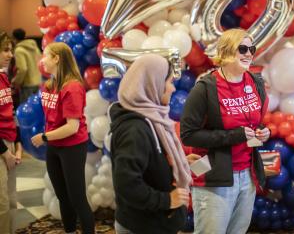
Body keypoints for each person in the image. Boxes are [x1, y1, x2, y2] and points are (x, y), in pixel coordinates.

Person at [181, 28, 270, 234]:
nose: (249, 53)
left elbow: (256, 122)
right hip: (213, 176)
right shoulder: (205, 87)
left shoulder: (256, 83)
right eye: (243, 48)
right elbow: (188, 134)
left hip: (248, 176)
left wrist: (263, 132)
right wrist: (235, 136)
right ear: (227, 52)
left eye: (252, 48)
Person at [110, 54, 199, 234]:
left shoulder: (150, 119)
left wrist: (178, 162)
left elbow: (149, 163)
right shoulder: (135, 129)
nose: (172, 88)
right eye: (168, 82)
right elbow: (127, 184)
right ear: (152, 84)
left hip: (153, 223)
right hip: (143, 226)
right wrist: (166, 200)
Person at [31, 42, 95, 234]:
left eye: (46, 55)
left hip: (72, 147)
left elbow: (72, 127)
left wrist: (44, 136)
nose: (42, 59)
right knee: (63, 197)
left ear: (57, 58)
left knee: (77, 198)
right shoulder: (49, 85)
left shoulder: (73, 87)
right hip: (54, 146)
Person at [0, 31, 18, 234]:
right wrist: (4, 152)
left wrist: (18, 146)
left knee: (12, 200)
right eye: (5, 50)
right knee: (2, 204)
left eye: (10, 50)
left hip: (9, 143)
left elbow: (10, 113)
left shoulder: (4, 77)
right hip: (1, 147)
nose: (10, 54)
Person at [11, 28, 42, 104]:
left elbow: (23, 69)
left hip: (28, 85)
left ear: (14, 38)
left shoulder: (19, 50)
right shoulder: (34, 47)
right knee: (36, 108)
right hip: (39, 82)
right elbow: (40, 62)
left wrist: (15, 81)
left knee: (26, 109)